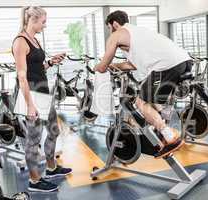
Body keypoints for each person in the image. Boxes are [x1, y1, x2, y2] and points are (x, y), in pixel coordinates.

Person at [94, 10, 193, 157]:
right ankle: (162, 127)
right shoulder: (137, 32)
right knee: (151, 99)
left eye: (109, 28)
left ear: (114, 24)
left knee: (141, 103)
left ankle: (170, 137)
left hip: (166, 66)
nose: (110, 31)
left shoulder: (117, 34)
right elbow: (132, 65)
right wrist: (115, 65)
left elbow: (101, 66)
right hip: (184, 61)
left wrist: (98, 67)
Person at [12, 6, 72, 192]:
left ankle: (52, 167)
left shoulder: (34, 40)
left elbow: (37, 68)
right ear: (33, 20)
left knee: (54, 130)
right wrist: (30, 105)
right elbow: (22, 76)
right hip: (31, 94)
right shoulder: (20, 42)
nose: (45, 25)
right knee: (33, 140)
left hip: (43, 91)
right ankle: (34, 181)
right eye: (43, 21)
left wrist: (51, 62)